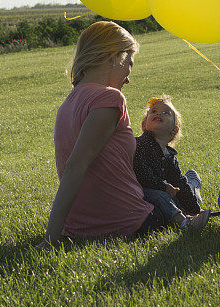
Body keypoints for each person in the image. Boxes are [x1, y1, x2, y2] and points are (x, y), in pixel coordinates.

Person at [37, 21, 169, 250]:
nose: (128, 77)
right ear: (112, 58)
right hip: (127, 222)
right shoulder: (109, 99)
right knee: (183, 187)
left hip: (79, 227)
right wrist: (50, 239)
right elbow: (75, 167)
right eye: (129, 64)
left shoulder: (67, 103)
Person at [133, 95, 210, 230]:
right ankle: (185, 223)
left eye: (165, 113)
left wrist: (195, 210)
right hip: (143, 193)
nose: (158, 113)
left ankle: (193, 203)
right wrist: (164, 187)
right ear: (144, 125)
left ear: (174, 130)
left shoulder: (170, 157)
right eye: (154, 111)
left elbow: (179, 182)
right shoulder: (140, 145)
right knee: (161, 195)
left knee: (186, 184)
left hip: (165, 195)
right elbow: (141, 174)